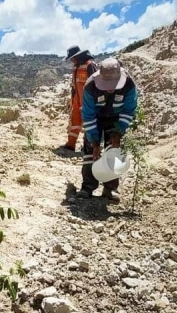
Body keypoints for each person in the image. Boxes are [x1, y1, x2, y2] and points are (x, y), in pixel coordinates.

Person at [77, 57, 138, 202]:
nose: (110, 88)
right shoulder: (90, 86)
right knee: (90, 152)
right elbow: (88, 116)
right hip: (95, 119)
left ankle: (110, 189)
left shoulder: (128, 84)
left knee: (113, 152)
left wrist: (118, 132)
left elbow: (129, 110)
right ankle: (87, 187)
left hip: (116, 120)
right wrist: (95, 142)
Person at [61, 45, 98, 152]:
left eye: (72, 58)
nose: (71, 60)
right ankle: (70, 144)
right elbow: (74, 86)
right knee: (75, 122)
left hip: (88, 101)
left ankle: (88, 147)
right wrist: (73, 100)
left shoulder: (89, 65)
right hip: (77, 101)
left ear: (77, 56)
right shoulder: (76, 67)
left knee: (89, 124)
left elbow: (96, 84)